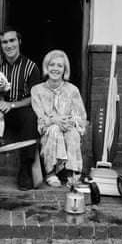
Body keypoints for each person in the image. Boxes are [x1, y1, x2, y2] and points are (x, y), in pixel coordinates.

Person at [31, 49, 88, 187]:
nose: (55, 68)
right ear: (46, 67)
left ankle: (71, 172)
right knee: (55, 129)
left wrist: (67, 122)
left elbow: (80, 117)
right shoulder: (37, 90)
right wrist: (53, 120)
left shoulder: (72, 90)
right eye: (52, 65)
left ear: (64, 70)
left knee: (72, 131)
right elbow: (40, 118)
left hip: (68, 127)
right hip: (49, 131)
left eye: (59, 66)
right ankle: (50, 172)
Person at [0, 27, 41, 190]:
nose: (8, 45)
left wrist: (12, 104)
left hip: (19, 111)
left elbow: (35, 97)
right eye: (4, 42)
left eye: (12, 40)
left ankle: (25, 170)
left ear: (19, 42)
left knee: (30, 116)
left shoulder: (31, 67)